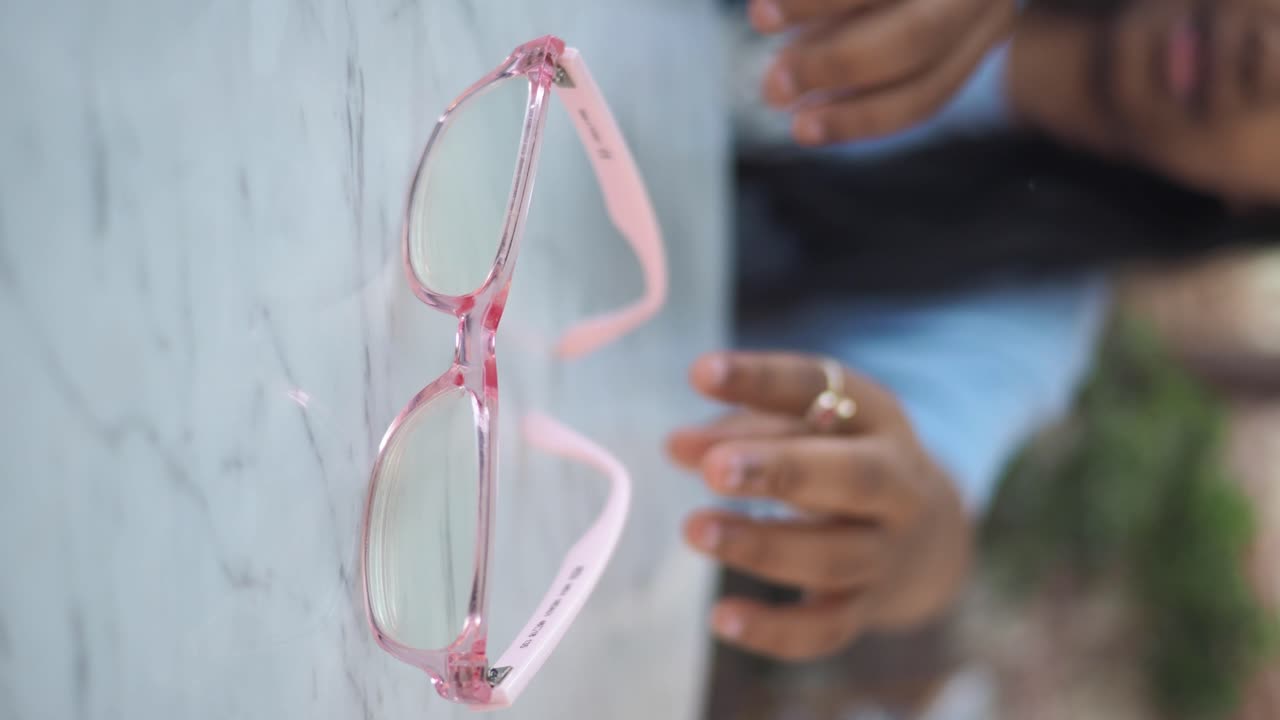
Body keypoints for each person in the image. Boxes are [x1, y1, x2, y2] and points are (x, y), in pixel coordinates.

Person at [669, 0, 1280, 664]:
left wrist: (892, 528)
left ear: (1257, 204)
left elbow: (930, 517)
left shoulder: (1026, 316)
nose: (1270, 60)